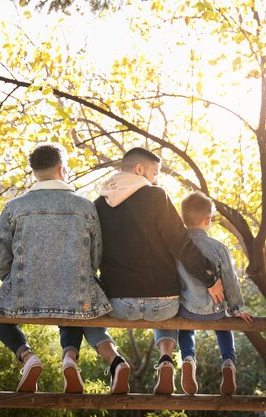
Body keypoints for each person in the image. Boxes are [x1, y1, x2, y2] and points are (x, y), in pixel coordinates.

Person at [0, 143, 130, 394]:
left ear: (34, 171)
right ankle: (69, 359)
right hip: (74, 294)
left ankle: (27, 357)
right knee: (75, 305)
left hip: (25, 292)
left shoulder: (14, 207)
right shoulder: (85, 206)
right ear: (62, 169)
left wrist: (16, 279)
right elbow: (95, 255)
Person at [94, 147, 223, 395]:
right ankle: (166, 358)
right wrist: (210, 278)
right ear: (139, 169)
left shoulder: (99, 204)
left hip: (119, 304)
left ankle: (115, 361)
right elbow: (180, 243)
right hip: (163, 303)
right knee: (174, 307)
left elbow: (94, 252)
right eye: (154, 173)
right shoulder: (156, 196)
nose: (155, 180)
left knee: (85, 313)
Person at [176, 191, 253, 396]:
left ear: (183, 218)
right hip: (216, 311)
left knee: (185, 330)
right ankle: (228, 363)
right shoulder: (219, 248)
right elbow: (230, 281)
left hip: (187, 310)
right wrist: (236, 308)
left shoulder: (176, 248)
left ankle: (188, 359)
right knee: (224, 328)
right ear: (208, 219)